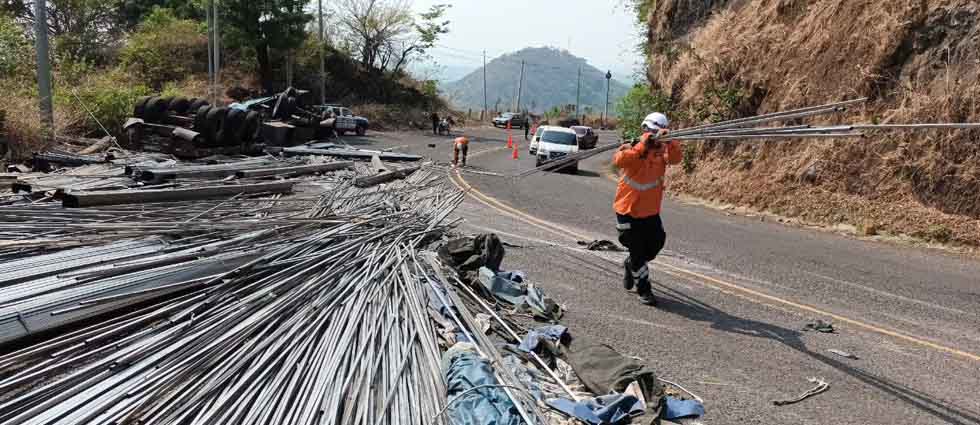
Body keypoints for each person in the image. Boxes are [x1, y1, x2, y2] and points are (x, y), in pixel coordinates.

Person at [613, 112, 683, 306]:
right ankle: (644, 290)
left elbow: (676, 158)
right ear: (645, 129)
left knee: (656, 244)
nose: (653, 135)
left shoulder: (662, 152)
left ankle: (631, 264)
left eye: (657, 132)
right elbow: (619, 160)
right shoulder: (632, 146)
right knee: (637, 252)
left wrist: (670, 141)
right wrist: (642, 145)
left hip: (650, 211)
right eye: (651, 131)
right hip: (627, 210)